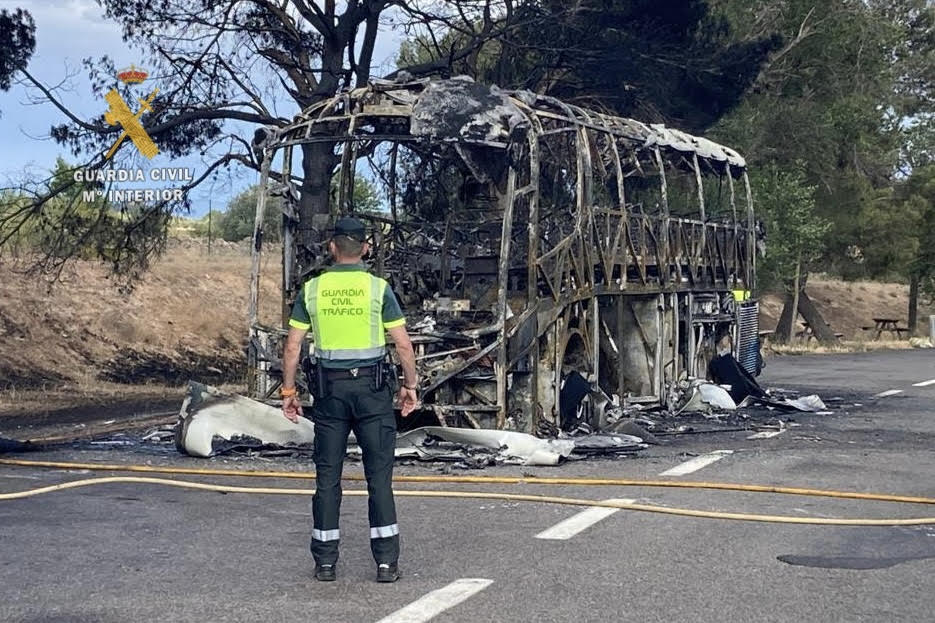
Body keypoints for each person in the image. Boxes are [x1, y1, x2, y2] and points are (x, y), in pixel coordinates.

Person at [280, 217, 418, 584]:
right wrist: (410, 386)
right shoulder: (378, 289)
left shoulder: (312, 290)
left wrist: (289, 392)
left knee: (327, 478)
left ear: (332, 248)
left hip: (329, 395)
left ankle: (325, 562)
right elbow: (402, 344)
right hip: (372, 394)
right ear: (366, 249)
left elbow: (293, 345)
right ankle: (386, 563)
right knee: (379, 479)